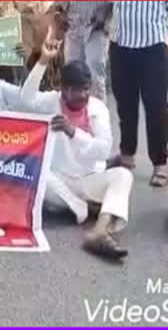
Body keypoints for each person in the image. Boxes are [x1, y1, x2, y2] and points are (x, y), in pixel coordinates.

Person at [24, 36, 133, 259]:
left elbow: (103, 149)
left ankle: (99, 231)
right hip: (58, 180)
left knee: (122, 175)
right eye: (75, 90)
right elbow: (26, 99)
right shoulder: (51, 102)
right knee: (33, 174)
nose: (82, 95)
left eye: (85, 89)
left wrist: (73, 132)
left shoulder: (98, 108)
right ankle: (86, 208)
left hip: (88, 177)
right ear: (63, 88)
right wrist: (44, 60)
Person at [108, 1, 168, 188]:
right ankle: (127, 154)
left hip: (153, 42)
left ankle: (160, 164)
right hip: (120, 41)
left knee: (156, 106)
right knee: (125, 103)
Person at [59, 1, 112, 102]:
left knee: (96, 78)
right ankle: (73, 113)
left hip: (97, 26)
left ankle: (97, 114)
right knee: (72, 75)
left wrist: (108, 20)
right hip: (73, 27)